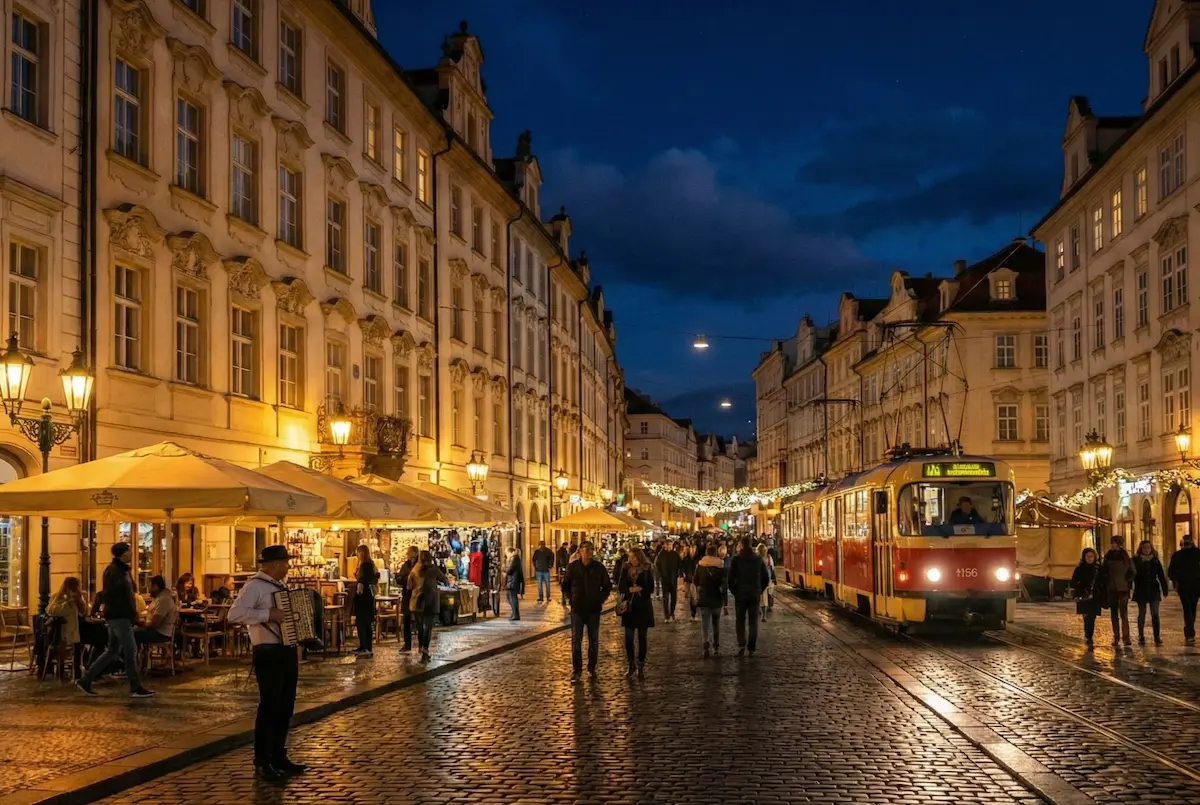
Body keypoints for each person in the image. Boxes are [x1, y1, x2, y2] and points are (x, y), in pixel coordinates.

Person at [227, 545, 306, 782]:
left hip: (285, 651)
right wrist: (267, 615)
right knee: (269, 707)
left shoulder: (279, 586)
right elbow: (234, 615)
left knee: (285, 706)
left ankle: (279, 756)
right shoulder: (254, 587)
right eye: (284, 563)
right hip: (268, 652)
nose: (288, 566)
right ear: (272, 565)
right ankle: (263, 760)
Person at [76, 543, 154, 698]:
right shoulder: (115, 571)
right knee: (130, 649)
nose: (131, 553)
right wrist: (132, 614)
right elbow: (118, 595)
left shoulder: (121, 570)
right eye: (129, 551)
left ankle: (86, 680)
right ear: (122, 553)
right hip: (119, 616)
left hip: (118, 616)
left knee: (112, 650)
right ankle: (135, 686)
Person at [561, 541, 612, 681]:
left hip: (593, 609)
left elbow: (607, 586)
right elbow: (565, 585)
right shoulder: (573, 567)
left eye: (591, 549)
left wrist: (600, 599)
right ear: (580, 551)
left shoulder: (599, 568)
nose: (589, 552)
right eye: (587, 549)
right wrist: (570, 599)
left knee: (593, 640)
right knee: (576, 640)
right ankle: (576, 670)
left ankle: (591, 668)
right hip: (577, 609)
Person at [728, 536, 770, 656]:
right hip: (754, 594)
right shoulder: (757, 559)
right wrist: (759, 590)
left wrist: (735, 591)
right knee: (753, 621)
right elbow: (765, 578)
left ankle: (741, 644)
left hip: (740, 594)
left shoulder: (736, 559)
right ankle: (751, 647)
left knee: (740, 621)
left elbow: (730, 578)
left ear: (741, 545)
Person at [618, 547, 655, 679]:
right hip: (629, 607)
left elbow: (651, 587)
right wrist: (629, 589)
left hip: (643, 606)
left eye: (635, 557)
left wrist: (641, 589)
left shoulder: (646, 568)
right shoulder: (625, 568)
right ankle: (631, 664)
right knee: (628, 639)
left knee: (642, 638)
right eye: (631, 557)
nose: (632, 560)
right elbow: (620, 585)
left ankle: (641, 665)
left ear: (639, 557)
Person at [409, 550, 448, 663]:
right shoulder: (433, 569)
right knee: (427, 627)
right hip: (430, 601)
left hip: (417, 601)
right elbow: (444, 579)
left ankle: (421, 648)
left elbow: (409, 585)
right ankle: (425, 650)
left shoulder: (415, 569)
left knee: (420, 627)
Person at [694, 544, 728, 657]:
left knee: (704, 623)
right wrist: (725, 602)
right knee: (715, 624)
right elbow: (724, 585)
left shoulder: (700, 564)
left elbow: (695, 581)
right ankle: (716, 647)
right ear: (716, 553)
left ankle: (705, 644)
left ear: (706, 553)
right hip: (716, 597)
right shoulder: (720, 565)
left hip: (704, 597)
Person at [1132, 539, 1168, 645]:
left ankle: (1157, 636)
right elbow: (1132, 575)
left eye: (1148, 548)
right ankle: (1141, 635)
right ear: (1141, 549)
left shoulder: (1155, 560)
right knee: (1142, 614)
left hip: (1153, 590)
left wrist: (1164, 588)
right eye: (1144, 548)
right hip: (1141, 590)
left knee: (1155, 614)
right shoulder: (1136, 560)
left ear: (1151, 548)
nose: (1146, 550)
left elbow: (1161, 575)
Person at [1101, 535, 1135, 647]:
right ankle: (1116, 637)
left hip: (1123, 589)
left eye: (1114, 542)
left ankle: (1126, 637)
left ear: (1119, 544)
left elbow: (1133, 571)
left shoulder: (1125, 557)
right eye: (1112, 542)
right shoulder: (1108, 556)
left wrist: (1127, 581)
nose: (1112, 544)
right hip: (1112, 588)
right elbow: (1104, 571)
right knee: (1114, 613)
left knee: (1123, 613)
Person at [1068, 547, 1103, 649]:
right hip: (1082, 595)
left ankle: (1089, 636)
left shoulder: (1098, 568)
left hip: (1094, 596)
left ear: (1094, 557)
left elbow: (1103, 580)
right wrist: (1080, 586)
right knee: (1086, 617)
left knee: (1092, 617)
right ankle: (1087, 635)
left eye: (1091, 556)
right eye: (1087, 556)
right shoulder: (1079, 568)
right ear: (1084, 557)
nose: (1089, 558)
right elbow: (1073, 581)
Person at [1169, 533, 1200, 643]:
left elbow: (1171, 571)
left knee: (1191, 607)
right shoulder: (1178, 555)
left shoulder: (1195, 554)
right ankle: (1190, 632)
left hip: (1194, 585)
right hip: (1186, 585)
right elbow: (1171, 571)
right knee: (1188, 607)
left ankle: (1189, 631)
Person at [353, 543, 379, 658]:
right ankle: (367, 646)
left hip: (363, 595)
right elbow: (376, 576)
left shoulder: (365, 566)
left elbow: (362, 579)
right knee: (367, 622)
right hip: (369, 595)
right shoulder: (371, 564)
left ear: (361, 553)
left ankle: (364, 646)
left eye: (358, 553)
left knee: (362, 621)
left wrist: (359, 581)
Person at [135, 575, 177, 646]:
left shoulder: (164, 599)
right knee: (133, 631)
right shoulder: (160, 598)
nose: (149, 591)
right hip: (158, 631)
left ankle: (132, 656)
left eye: (150, 587)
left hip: (161, 634)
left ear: (155, 587)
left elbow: (156, 623)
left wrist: (142, 624)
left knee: (133, 634)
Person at [396, 546, 420, 652]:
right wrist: (403, 578)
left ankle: (422, 645)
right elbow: (400, 578)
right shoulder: (405, 565)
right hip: (407, 595)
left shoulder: (420, 565)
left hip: (418, 596)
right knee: (406, 620)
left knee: (419, 621)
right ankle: (407, 644)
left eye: (409, 552)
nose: (407, 554)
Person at [654, 541, 681, 622]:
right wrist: (660, 575)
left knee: (674, 598)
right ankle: (667, 616)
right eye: (667, 545)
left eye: (670, 545)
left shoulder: (675, 554)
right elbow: (657, 565)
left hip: (673, 579)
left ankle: (672, 612)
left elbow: (680, 564)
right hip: (665, 579)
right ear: (665, 546)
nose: (669, 546)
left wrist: (679, 572)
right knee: (665, 598)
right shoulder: (661, 555)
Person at [679, 543, 699, 622]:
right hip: (688, 579)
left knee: (695, 597)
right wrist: (683, 573)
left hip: (696, 580)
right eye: (691, 549)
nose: (692, 551)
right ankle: (693, 614)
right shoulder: (686, 559)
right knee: (692, 597)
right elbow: (682, 567)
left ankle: (695, 613)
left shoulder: (698, 559)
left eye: (694, 549)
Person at [757, 544, 776, 622]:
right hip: (767, 579)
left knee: (760, 596)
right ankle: (764, 614)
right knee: (767, 595)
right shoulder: (769, 557)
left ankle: (761, 612)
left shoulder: (757, 558)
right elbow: (772, 568)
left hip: (759, 579)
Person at [505, 548, 525, 621]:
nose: (506, 555)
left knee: (512, 598)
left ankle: (515, 614)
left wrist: (504, 568)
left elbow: (509, 570)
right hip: (513, 581)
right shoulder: (515, 559)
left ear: (511, 552)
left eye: (507, 553)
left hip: (513, 581)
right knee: (510, 597)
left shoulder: (514, 560)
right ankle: (514, 613)